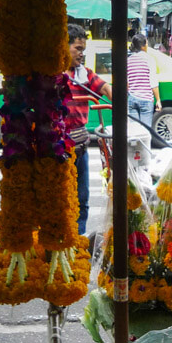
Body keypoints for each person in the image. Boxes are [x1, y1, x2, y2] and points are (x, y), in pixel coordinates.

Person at [64, 23, 112, 236]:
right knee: (60, 197)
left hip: (81, 146)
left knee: (82, 198)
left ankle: (78, 240)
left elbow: (104, 88)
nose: (82, 54)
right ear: (63, 47)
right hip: (58, 146)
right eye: (78, 49)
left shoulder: (83, 74)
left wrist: (119, 97)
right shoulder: (50, 75)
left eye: (83, 49)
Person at [127, 33, 162, 129]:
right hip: (146, 100)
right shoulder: (149, 60)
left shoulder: (128, 60)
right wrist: (158, 100)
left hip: (132, 99)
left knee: (134, 131)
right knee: (145, 131)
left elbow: (127, 83)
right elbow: (153, 82)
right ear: (144, 45)